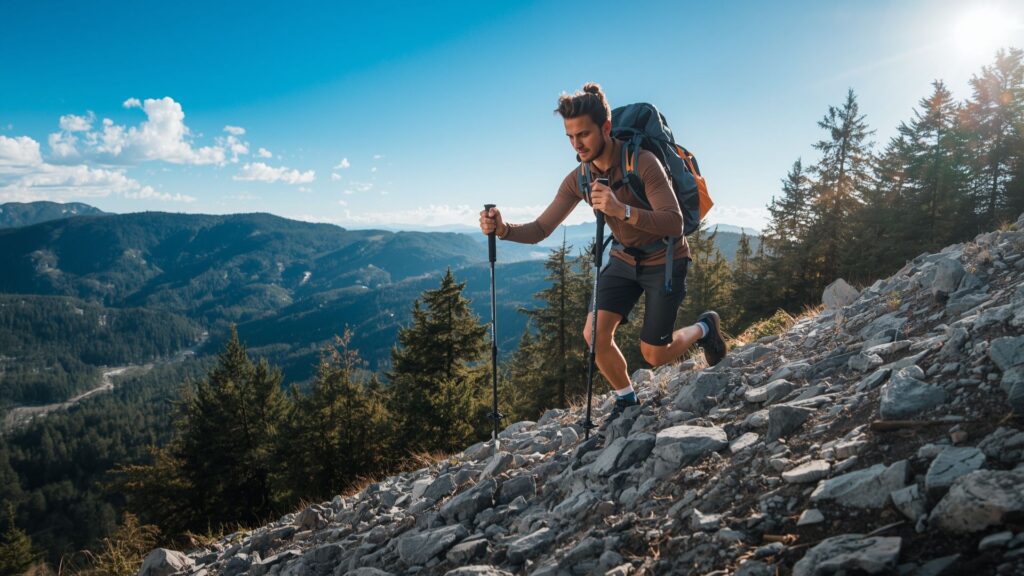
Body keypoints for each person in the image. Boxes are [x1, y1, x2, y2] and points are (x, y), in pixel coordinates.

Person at [479, 82, 727, 421]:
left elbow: (674, 222)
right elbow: (540, 230)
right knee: (594, 334)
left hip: (664, 258)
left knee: (654, 354)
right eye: (569, 136)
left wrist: (621, 209)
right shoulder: (579, 178)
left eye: (583, 134)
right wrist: (504, 230)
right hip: (624, 259)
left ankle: (704, 329)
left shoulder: (642, 162)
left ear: (606, 128)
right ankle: (627, 400)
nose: (576, 144)